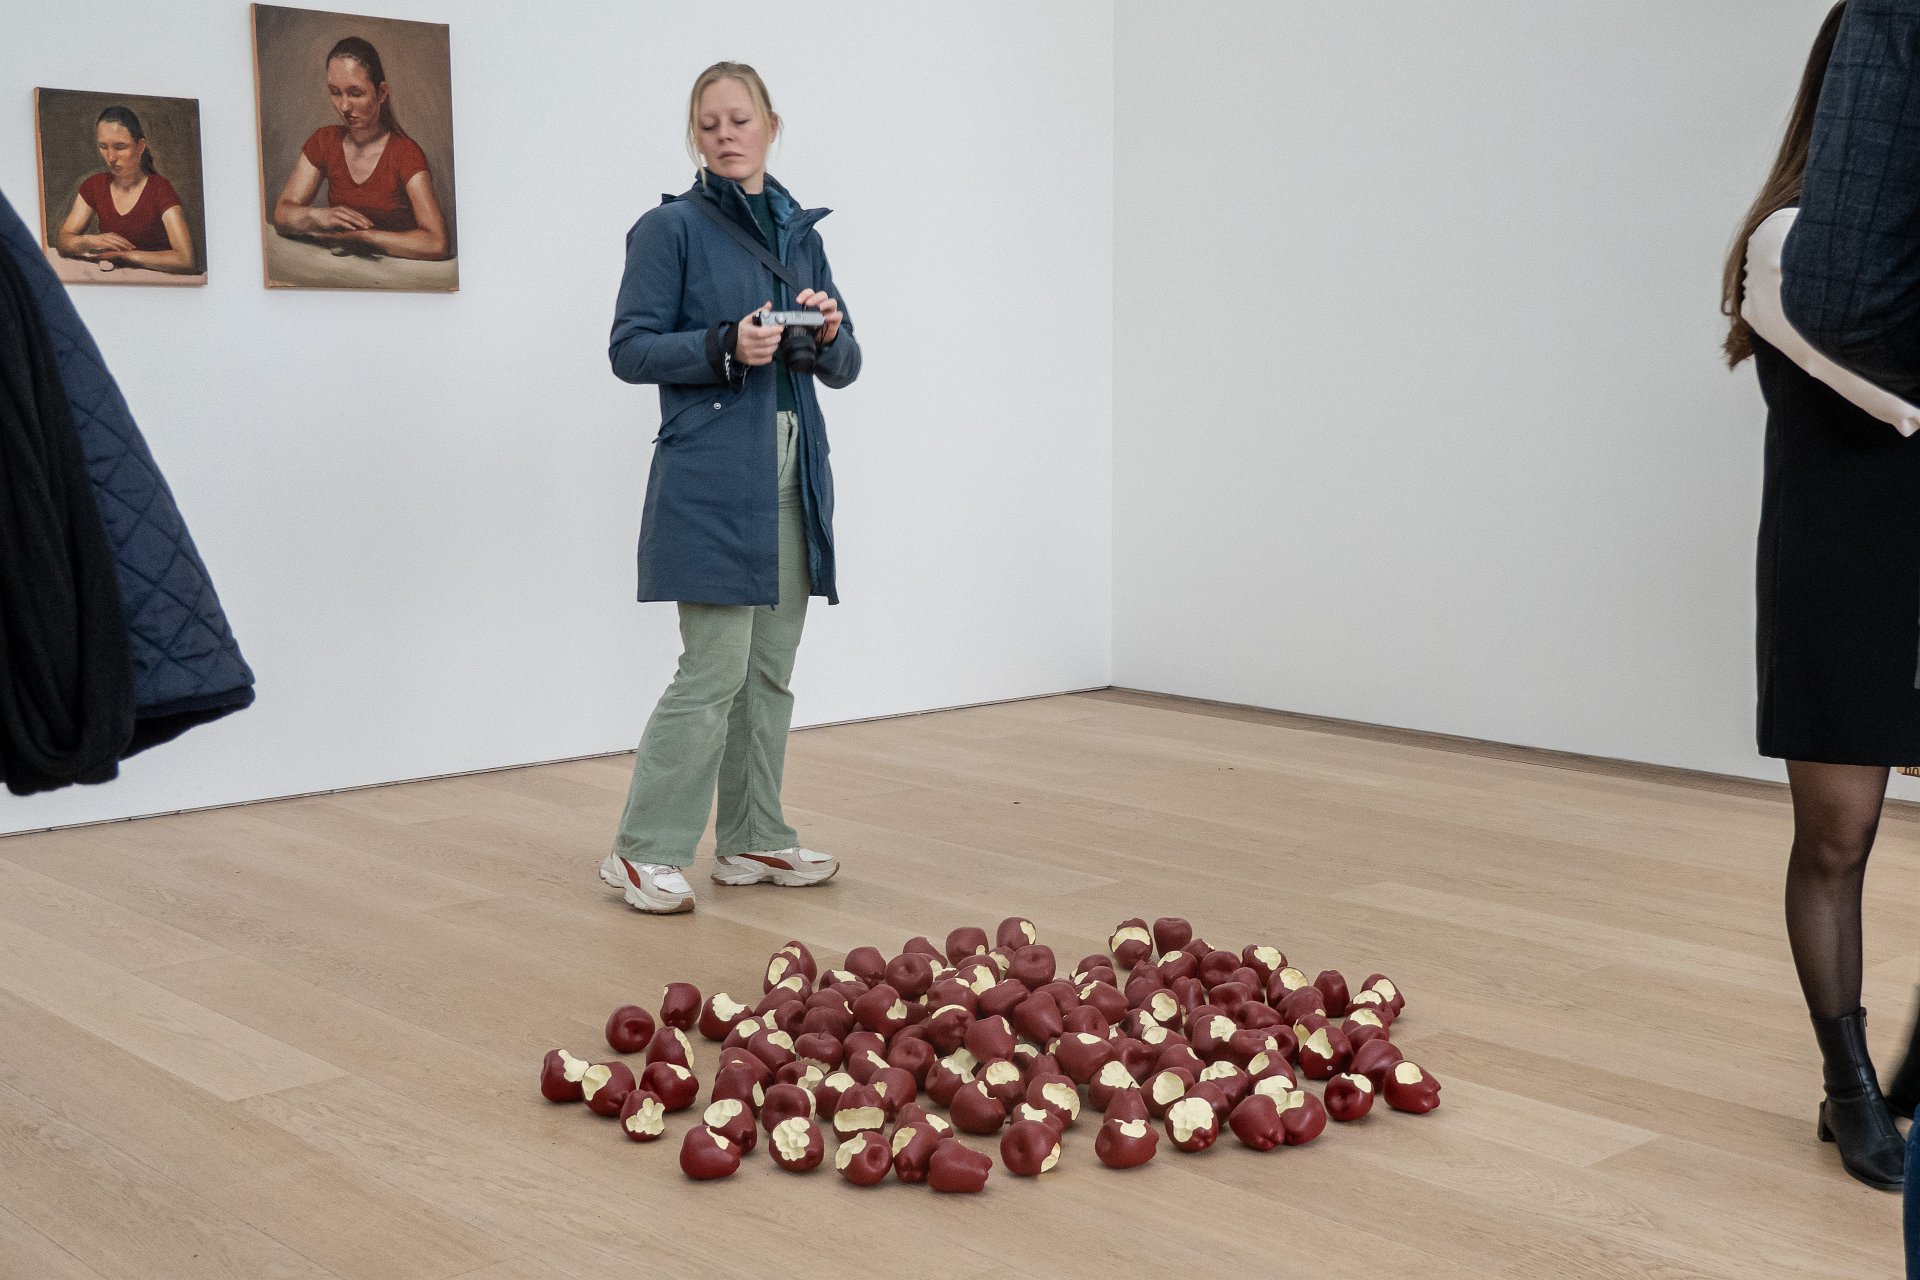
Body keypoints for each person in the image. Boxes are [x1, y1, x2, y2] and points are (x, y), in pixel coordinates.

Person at [1725, 0, 1917, 1193]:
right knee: (1838, 839)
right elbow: (1898, 396)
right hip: (1838, 579)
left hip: (1917, 573)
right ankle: (1847, 1085)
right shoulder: (1788, 245)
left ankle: (1907, 1065)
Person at [599, 61, 860, 914]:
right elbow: (630, 349)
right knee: (711, 672)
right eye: (709, 123)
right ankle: (642, 851)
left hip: (792, 465)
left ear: (770, 127)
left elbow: (848, 364)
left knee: (769, 671)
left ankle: (752, 837)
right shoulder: (668, 229)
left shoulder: (800, 232)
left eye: (739, 119)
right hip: (713, 475)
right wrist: (723, 345)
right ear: (695, 135)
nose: (725, 134)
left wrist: (825, 334)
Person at [271, 36, 450, 261]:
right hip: (344, 270)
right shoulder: (324, 141)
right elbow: (282, 214)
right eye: (335, 92)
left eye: (355, 94)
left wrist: (366, 238)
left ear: (381, 93)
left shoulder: (405, 153)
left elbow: (437, 243)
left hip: (397, 274)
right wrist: (320, 217)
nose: (344, 106)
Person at [54, 106, 195, 274]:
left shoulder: (160, 189)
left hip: (155, 283)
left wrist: (125, 256)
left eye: (120, 147)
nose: (111, 158)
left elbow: (185, 259)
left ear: (140, 146)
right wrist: (94, 241)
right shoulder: (94, 185)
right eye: (103, 146)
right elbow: (63, 241)